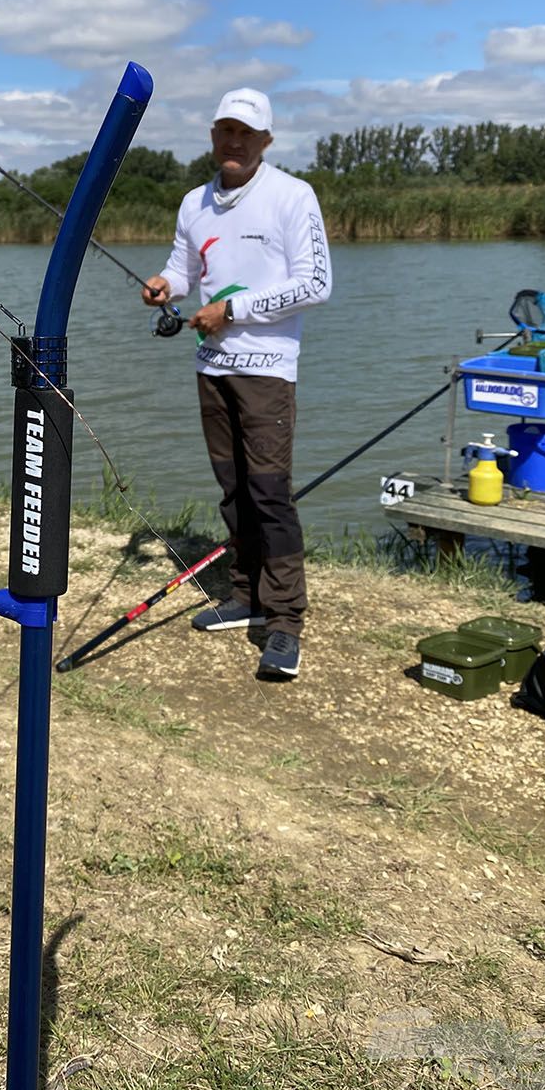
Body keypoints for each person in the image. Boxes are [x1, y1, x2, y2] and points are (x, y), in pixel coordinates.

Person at [143, 88, 331, 680]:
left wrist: (235, 311)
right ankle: (246, 596)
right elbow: (185, 267)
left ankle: (284, 623)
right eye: (226, 130)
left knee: (270, 493)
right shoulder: (194, 202)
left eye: (247, 133)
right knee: (232, 489)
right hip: (211, 367)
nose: (234, 141)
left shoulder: (292, 196)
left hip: (267, 369)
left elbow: (315, 284)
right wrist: (165, 285)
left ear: (266, 141)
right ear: (213, 135)